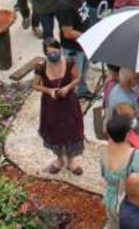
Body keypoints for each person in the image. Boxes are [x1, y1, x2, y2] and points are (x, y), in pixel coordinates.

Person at [33, 37, 84, 175]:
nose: (53, 55)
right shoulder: (41, 67)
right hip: (51, 105)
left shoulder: (69, 61)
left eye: (55, 52)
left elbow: (77, 78)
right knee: (55, 131)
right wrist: (49, 90)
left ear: (60, 50)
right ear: (46, 54)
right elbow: (35, 85)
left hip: (69, 102)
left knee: (71, 130)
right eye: (50, 54)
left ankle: (71, 160)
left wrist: (68, 87)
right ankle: (59, 159)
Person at [101, 114, 139, 228]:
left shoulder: (104, 152)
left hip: (109, 200)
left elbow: (103, 174)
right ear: (127, 135)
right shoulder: (135, 155)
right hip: (128, 205)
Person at [56, 0, 92, 98]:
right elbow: (68, 33)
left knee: (84, 70)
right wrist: (87, 36)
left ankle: (83, 91)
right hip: (73, 48)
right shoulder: (65, 5)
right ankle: (73, 97)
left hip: (84, 43)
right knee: (74, 75)